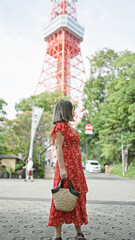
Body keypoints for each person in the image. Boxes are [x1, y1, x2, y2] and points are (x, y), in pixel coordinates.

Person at [48, 100, 88, 240]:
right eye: (72, 109)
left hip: (76, 168)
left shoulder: (69, 127)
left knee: (75, 195)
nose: (74, 111)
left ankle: (78, 231)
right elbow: (58, 148)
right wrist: (63, 169)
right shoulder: (60, 127)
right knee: (61, 196)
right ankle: (57, 235)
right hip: (66, 167)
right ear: (65, 110)